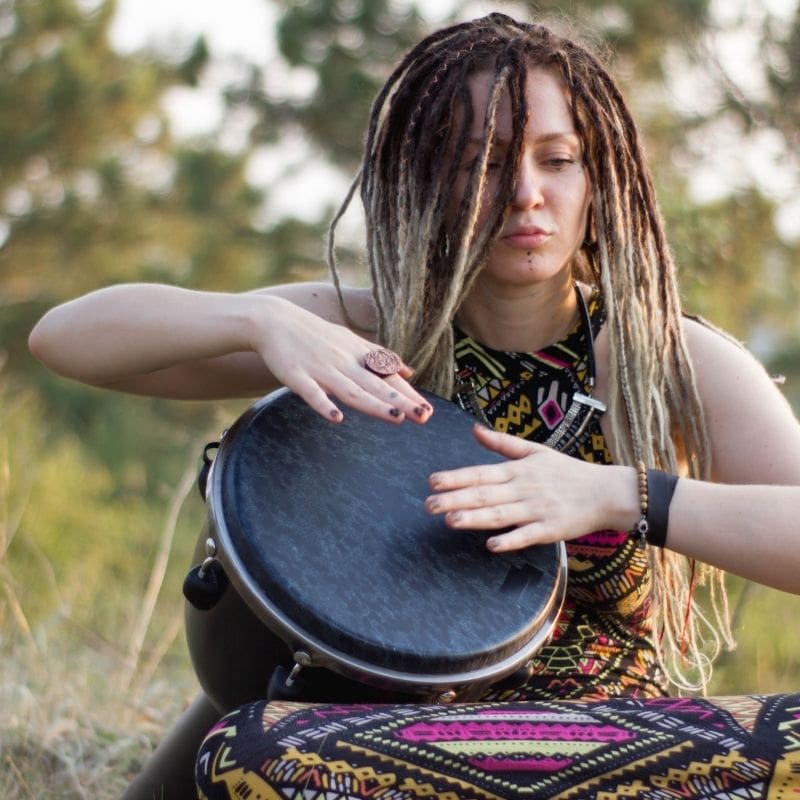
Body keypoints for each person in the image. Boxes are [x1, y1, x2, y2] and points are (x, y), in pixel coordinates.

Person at [29, 12, 800, 800]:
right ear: (432, 176)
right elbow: (66, 337)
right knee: (252, 752)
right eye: (487, 162)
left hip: (613, 753)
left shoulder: (666, 362)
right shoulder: (365, 335)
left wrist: (617, 493)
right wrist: (258, 320)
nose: (527, 194)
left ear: (596, 181)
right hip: (391, 749)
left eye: (557, 160)